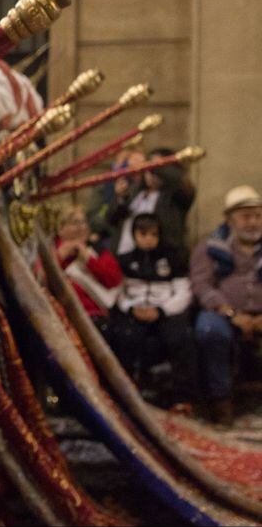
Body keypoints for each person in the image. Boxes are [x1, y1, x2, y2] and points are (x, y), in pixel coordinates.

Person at [190, 185, 262, 425]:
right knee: (209, 331)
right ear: (230, 219)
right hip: (223, 312)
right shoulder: (211, 247)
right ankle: (221, 402)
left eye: (258, 216)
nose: (253, 222)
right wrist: (231, 313)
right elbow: (201, 285)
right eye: (245, 216)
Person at [110, 213, 196, 404]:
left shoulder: (173, 258)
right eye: (143, 234)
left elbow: (183, 292)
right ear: (134, 235)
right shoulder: (124, 260)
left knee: (181, 338)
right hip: (134, 310)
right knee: (124, 337)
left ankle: (183, 398)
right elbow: (118, 291)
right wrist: (131, 308)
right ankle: (124, 395)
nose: (149, 239)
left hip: (165, 310)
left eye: (153, 234)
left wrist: (161, 310)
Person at [95, 148, 195, 259]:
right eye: (148, 169)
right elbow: (111, 220)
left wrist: (154, 165)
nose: (151, 174)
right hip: (125, 258)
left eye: (156, 169)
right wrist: (120, 198)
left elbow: (179, 180)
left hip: (159, 261)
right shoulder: (135, 191)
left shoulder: (175, 196)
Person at [56, 205, 122, 337]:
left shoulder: (96, 250)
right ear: (61, 229)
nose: (82, 227)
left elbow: (114, 280)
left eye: (84, 222)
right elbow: (41, 281)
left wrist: (89, 260)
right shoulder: (52, 253)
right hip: (65, 319)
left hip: (98, 317)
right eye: (75, 223)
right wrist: (59, 257)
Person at [87, 148, 144, 246]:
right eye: (130, 164)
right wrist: (117, 196)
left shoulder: (144, 189)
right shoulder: (105, 186)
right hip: (109, 241)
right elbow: (95, 220)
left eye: (142, 164)